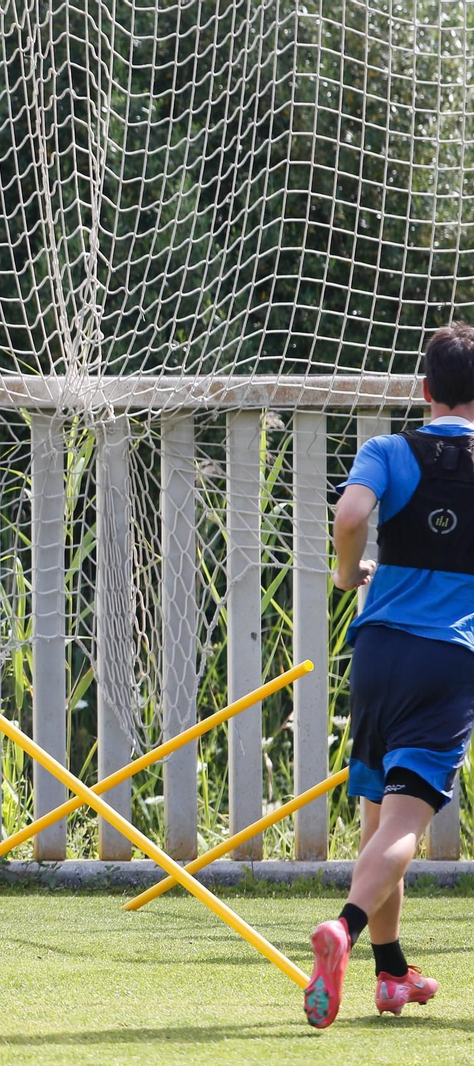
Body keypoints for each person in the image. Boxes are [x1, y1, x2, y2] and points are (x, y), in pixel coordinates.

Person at [304, 322, 474, 1028]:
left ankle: (391, 973)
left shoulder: (389, 450)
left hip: (377, 650)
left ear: (425, 389)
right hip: (448, 657)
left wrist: (349, 575)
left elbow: (349, 513)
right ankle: (343, 927)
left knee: (378, 818)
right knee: (407, 822)